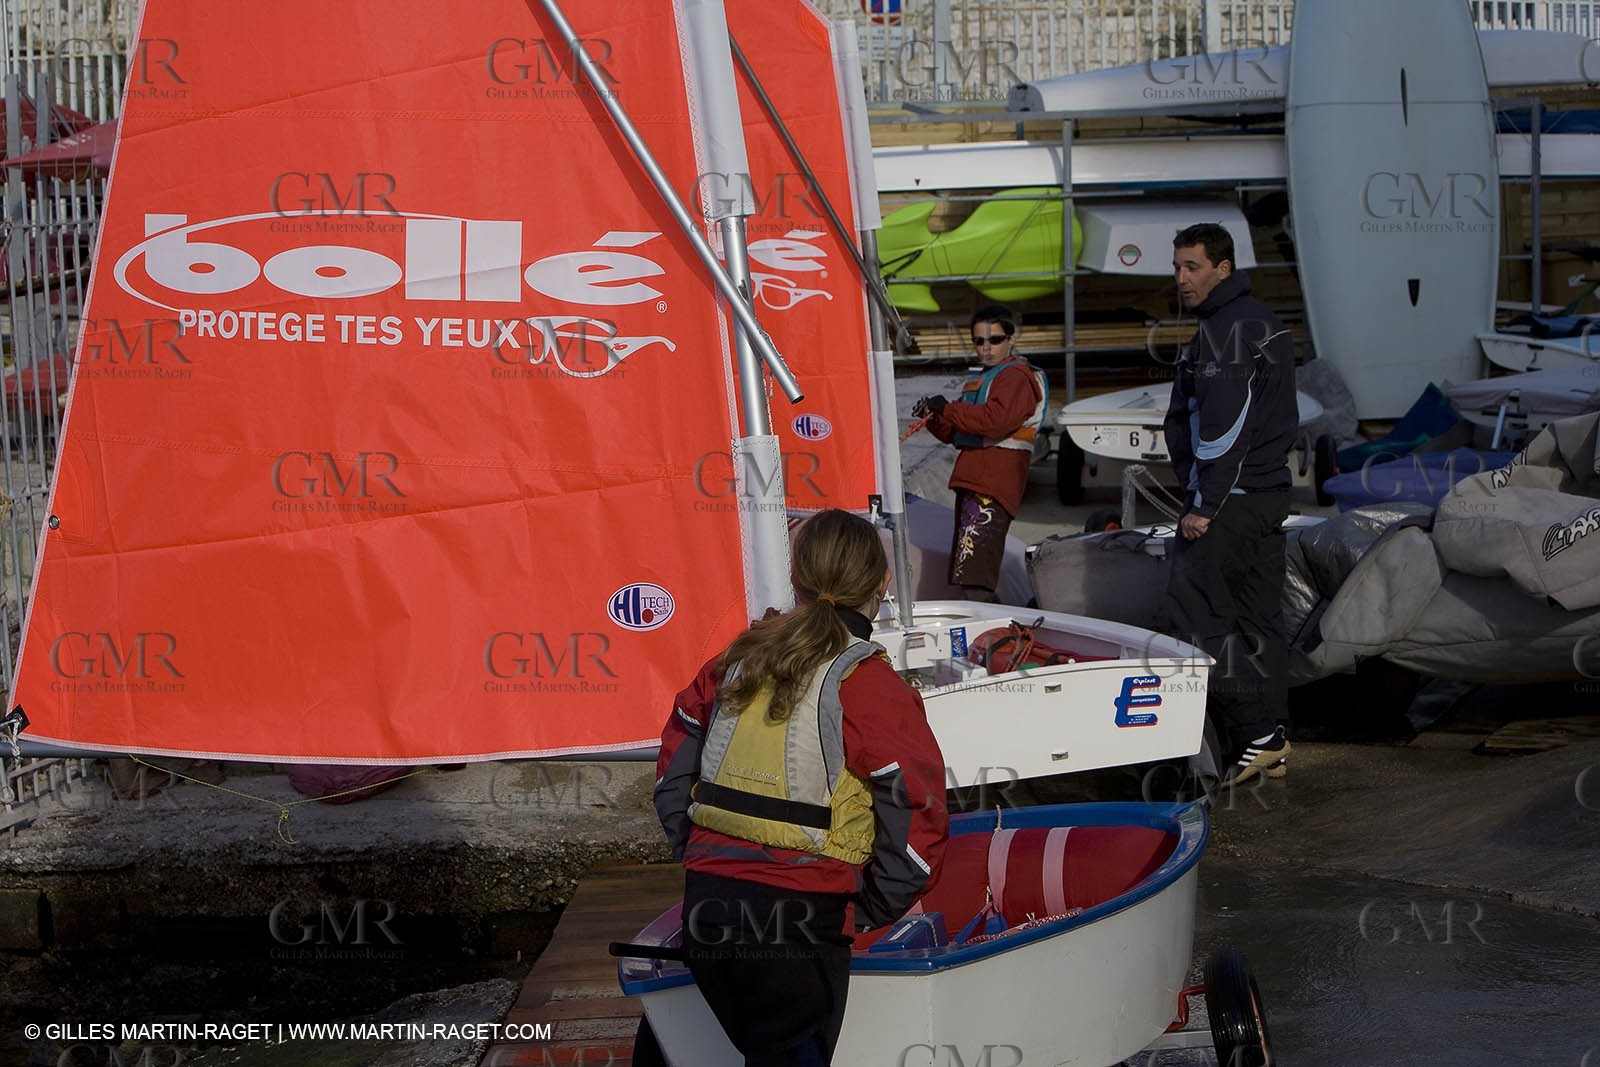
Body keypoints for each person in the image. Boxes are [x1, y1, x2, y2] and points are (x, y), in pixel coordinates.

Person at [647, 509, 949, 1067]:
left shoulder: (734, 662)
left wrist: (700, 853)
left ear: (797, 577)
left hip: (708, 908)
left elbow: (671, 777)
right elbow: (920, 813)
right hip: (801, 924)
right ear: (883, 582)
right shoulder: (868, 684)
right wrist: (872, 906)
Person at [1161, 223, 1297, 788]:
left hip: (1229, 503)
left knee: (1193, 624)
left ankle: (1256, 732)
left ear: (1223, 267)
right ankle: (1273, 738)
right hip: (1265, 498)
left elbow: (1225, 427)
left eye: (1192, 267)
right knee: (1259, 620)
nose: (1182, 278)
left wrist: (1204, 504)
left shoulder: (1227, 330)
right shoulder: (1260, 320)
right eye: (1177, 267)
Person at [913, 304, 1049, 602]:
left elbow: (994, 421)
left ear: (1011, 340)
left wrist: (948, 408)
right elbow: (958, 434)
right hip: (976, 483)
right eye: (979, 341)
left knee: (975, 576)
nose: (986, 348)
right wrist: (934, 417)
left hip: (992, 486)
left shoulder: (1015, 378)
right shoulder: (988, 379)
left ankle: (990, 636)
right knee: (971, 572)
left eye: (995, 340)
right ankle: (993, 630)